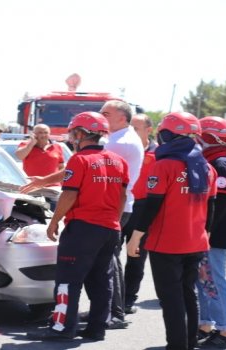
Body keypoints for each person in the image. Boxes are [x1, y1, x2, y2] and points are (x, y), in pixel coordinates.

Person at [26, 111, 129, 341]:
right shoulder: (118, 161)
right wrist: (115, 220)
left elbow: (69, 195)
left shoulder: (79, 159)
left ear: (82, 133)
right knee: (101, 281)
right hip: (110, 228)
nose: (72, 137)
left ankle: (62, 328)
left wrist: (54, 222)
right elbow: (122, 196)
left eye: (73, 132)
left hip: (82, 229)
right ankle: (97, 329)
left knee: (67, 281)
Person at [127, 111, 217, 350]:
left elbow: (151, 205)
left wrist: (136, 235)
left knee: (171, 298)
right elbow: (212, 206)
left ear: (168, 135)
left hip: (166, 243)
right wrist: (205, 234)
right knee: (188, 294)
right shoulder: (207, 168)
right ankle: (188, 344)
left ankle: (176, 345)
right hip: (195, 242)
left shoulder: (163, 165)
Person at [194, 116, 226, 349]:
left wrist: (207, 230)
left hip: (215, 234)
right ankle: (206, 324)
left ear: (209, 137)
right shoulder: (215, 160)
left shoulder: (221, 163)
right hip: (209, 233)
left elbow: (220, 204)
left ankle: (225, 331)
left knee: (215, 281)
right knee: (204, 282)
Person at [96, 100, 143, 327]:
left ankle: (114, 313)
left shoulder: (120, 143)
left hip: (115, 206)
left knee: (109, 260)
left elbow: (87, 163)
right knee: (109, 259)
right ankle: (110, 310)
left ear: (122, 118)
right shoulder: (116, 138)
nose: (100, 116)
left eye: (106, 113)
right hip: (116, 205)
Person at [122, 113, 157, 314]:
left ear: (148, 130)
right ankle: (110, 301)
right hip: (121, 205)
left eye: (136, 128)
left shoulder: (159, 153)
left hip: (144, 209)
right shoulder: (123, 149)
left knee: (136, 256)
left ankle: (128, 299)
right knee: (109, 257)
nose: (132, 133)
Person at [15, 124, 65, 208]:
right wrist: (31, 144)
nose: (43, 135)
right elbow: (20, 156)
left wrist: (64, 186)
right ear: (33, 134)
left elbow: (61, 168)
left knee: (53, 215)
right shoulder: (25, 145)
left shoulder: (57, 147)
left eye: (45, 132)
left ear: (49, 134)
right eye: (39, 132)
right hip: (32, 188)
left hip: (53, 189)